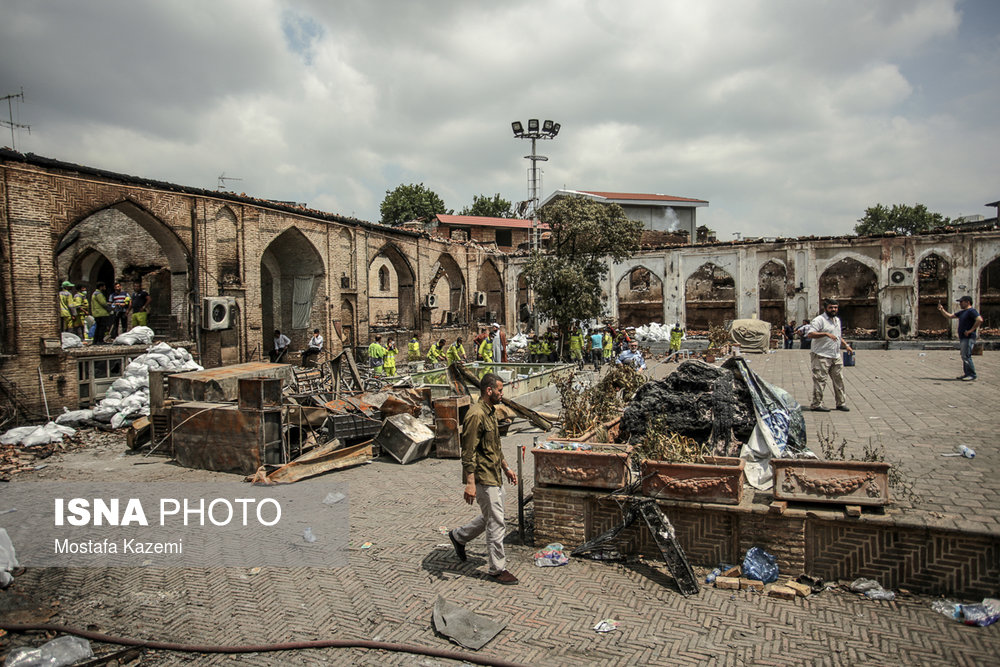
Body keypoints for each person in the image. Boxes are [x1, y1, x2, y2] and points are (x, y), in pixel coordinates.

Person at [448, 372, 519, 585]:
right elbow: (468, 452)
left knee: (492, 516)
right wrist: (470, 483)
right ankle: (497, 569)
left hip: (495, 473)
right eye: (499, 390)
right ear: (489, 391)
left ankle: (459, 536)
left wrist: (506, 467)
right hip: (483, 477)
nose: (502, 393)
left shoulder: (490, 412)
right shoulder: (476, 415)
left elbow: (494, 446)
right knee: (496, 521)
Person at [807, 299, 853, 412]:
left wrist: (846, 345)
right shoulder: (819, 320)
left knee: (839, 380)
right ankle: (817, 404)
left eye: (835, 307)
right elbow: (810, 334)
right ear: (825, 308)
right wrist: (825, 334)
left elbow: (837, 336)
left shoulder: (837, 320)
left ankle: (841, 403)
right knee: (820, 380)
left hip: (835, 355)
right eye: (831, 307)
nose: (833, 310)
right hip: (821, 355)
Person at [938, 296, 983, 381]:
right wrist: (941, 310)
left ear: (968, 302)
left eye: (962, 302)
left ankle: (972, 375)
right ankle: (967, 373)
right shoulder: (963, 312)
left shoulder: (971, 311)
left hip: (968, 337)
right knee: (964, 356)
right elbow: (950, 316)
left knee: (966, 356)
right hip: (963, 337)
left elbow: (979, 320)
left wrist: (970, 330)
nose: (960, 304)